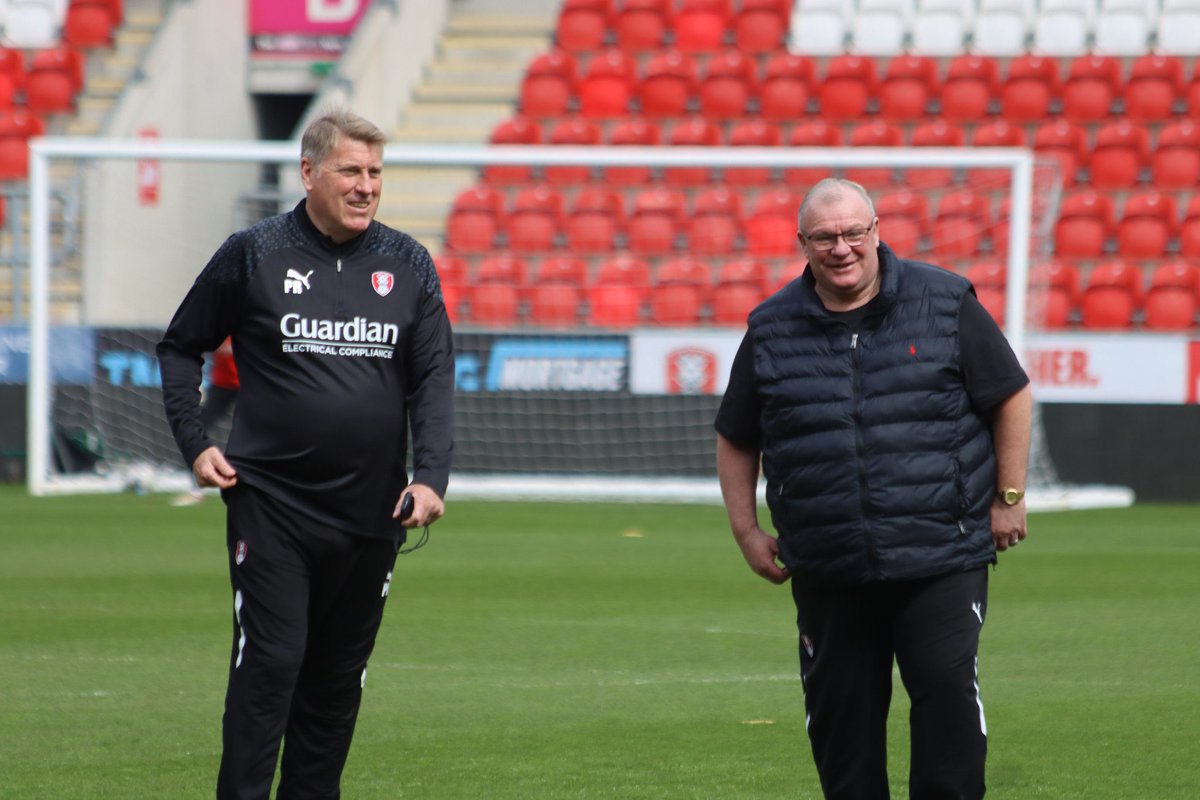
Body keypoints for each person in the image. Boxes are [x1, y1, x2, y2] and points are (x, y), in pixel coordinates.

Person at [157, 109, 455, 799]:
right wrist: (195, 443)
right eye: (351, 170)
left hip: (372, 510)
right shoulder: (253, 252)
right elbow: (180, 347)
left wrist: (431, 474)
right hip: (272, 507)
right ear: (310, 172)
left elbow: (434, 376)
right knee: (272, 664)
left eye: (375, 173)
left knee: (335, 681)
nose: (365, 186)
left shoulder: (408, 262)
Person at [714, 177, 1032, 800]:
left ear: (877, 231)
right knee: (843, 731)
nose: (841, 248)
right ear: (802, 244)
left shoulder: (944, 300)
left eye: (853, 232)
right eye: (825, 237)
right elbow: (736, 434)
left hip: (941, 552)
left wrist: (1009, 496)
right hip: (829, 562)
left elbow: (1010, 395)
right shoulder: (771, 327)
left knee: (945, 705)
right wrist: (745, 529)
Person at [172, 336, 239, 506]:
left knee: (256, 434)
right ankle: (195, 490)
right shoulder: (218, 319)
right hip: (222, 384)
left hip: (248, 383)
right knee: (196, 431)